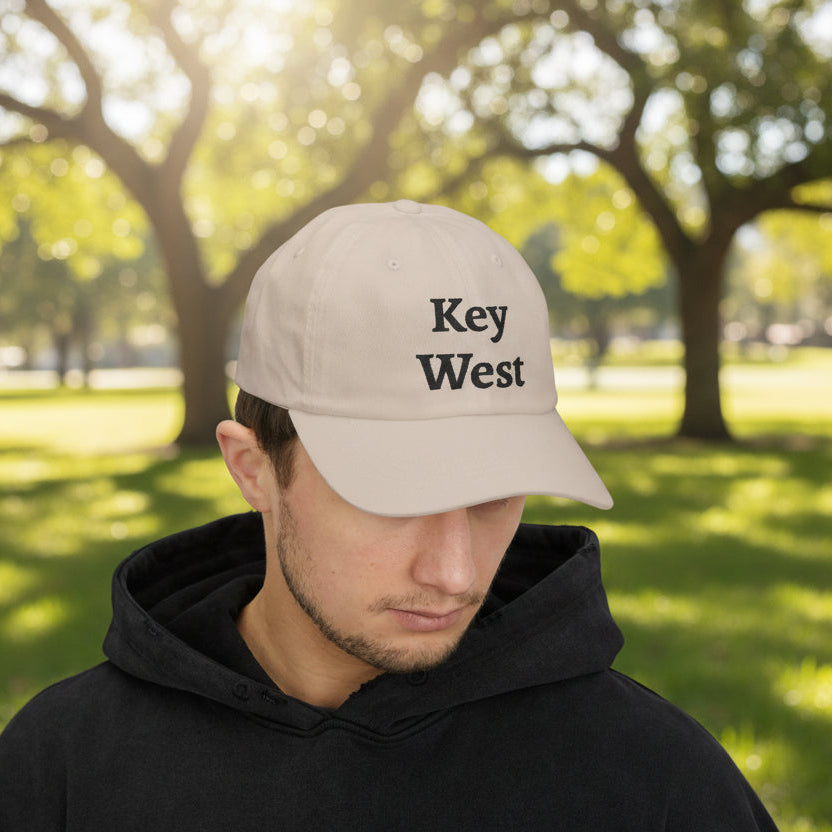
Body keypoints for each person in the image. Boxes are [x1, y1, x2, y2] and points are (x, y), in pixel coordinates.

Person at [0, 200, 777, 830]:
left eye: (495, 493)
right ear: (253, 468)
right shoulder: (62, 769)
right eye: (392, 494)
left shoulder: (658, 783)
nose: (456, 573)